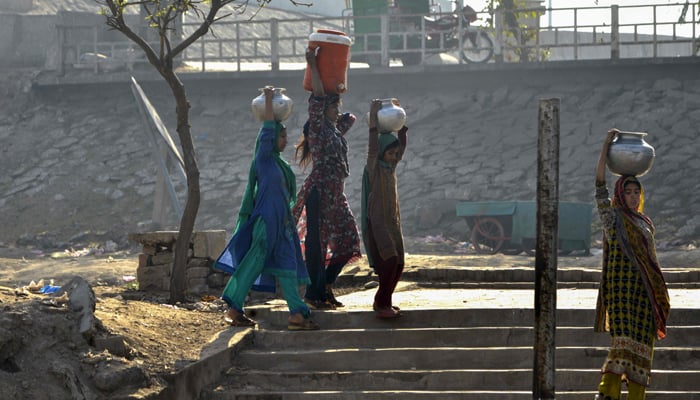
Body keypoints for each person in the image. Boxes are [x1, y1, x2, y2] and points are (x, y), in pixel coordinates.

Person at [215, 86, 319, 331]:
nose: (285, 141)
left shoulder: (279, 165)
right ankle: (233, 308)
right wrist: (270, 101)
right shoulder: (263, 159)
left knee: (287, 267)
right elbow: (267, 130)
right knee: (254, 263)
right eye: (282, 137)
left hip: (282, 225)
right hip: (265, 223)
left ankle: (296, 313)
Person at [592, 128, 670, 400]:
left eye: (637, 192)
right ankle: (607, 394)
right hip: (621, 295)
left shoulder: (645, 223)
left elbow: (651, 262)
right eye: (628, 192)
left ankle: (636, 397)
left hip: (644, 297)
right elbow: (599, 184)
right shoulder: (612, 218)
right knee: (621, 347)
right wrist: (605, 146)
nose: (633, 196)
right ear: (620, 195)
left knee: (642, 351)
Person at [292, 47, 362, 310]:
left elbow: (351, 118)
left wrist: (338, 89)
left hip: (336, 193)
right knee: (317, 243)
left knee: (348, 240)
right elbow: (318, 99)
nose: (337, 109)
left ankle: (326, 286)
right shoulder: (320, 133)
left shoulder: (334, 131)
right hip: (320, 191)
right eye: (333, 106)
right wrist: (313, 64)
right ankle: (314, 293)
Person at [361, 99, 408, 319]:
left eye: (396, 154)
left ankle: (386, 301)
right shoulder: (374, 168)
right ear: (382, 153)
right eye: (390, 153)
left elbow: (401, 150)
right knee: (388, 261)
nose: (394, 157)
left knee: (399, 263)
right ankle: (381, 304)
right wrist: (373, 121)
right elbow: (372, 148)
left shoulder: (391, 168)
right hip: (378, 223)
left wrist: (402, 131)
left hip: (392, 223)